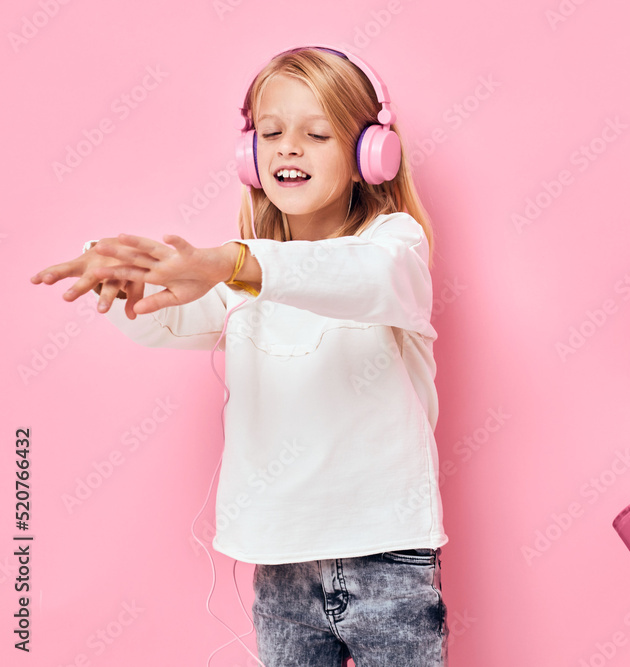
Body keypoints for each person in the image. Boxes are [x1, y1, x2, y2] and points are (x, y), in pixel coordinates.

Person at [31, 46, 447, 666]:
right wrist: (129, 284)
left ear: (371, 156)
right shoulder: (235, 274)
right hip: (279, 563)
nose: (288, 147)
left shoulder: (394, 246)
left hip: (387, 555)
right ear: (250, 157)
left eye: (316, 133)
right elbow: (164, 323)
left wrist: (237, 262)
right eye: (272, 133)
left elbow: (364, 276)